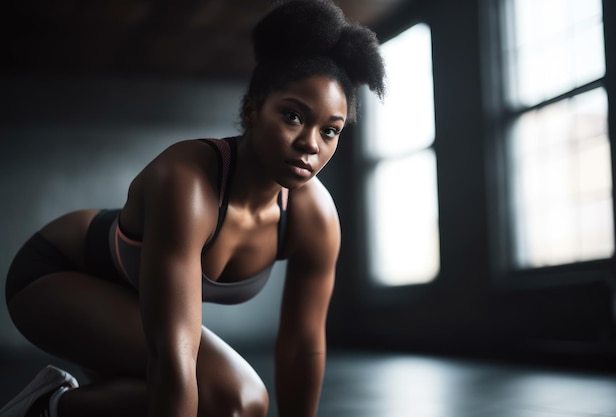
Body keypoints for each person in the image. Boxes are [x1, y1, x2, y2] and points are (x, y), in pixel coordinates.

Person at [1, 0, 386, 416]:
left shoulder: (314, 217)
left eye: (330, 130)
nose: (311, 143)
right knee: (235, 398)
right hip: (54, 275)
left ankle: (53, 406)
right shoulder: (187, 180)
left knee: (234, 398)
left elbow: (303, 345)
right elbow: (173, 357)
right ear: (251, 110)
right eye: (293, 116)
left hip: (133, 307)